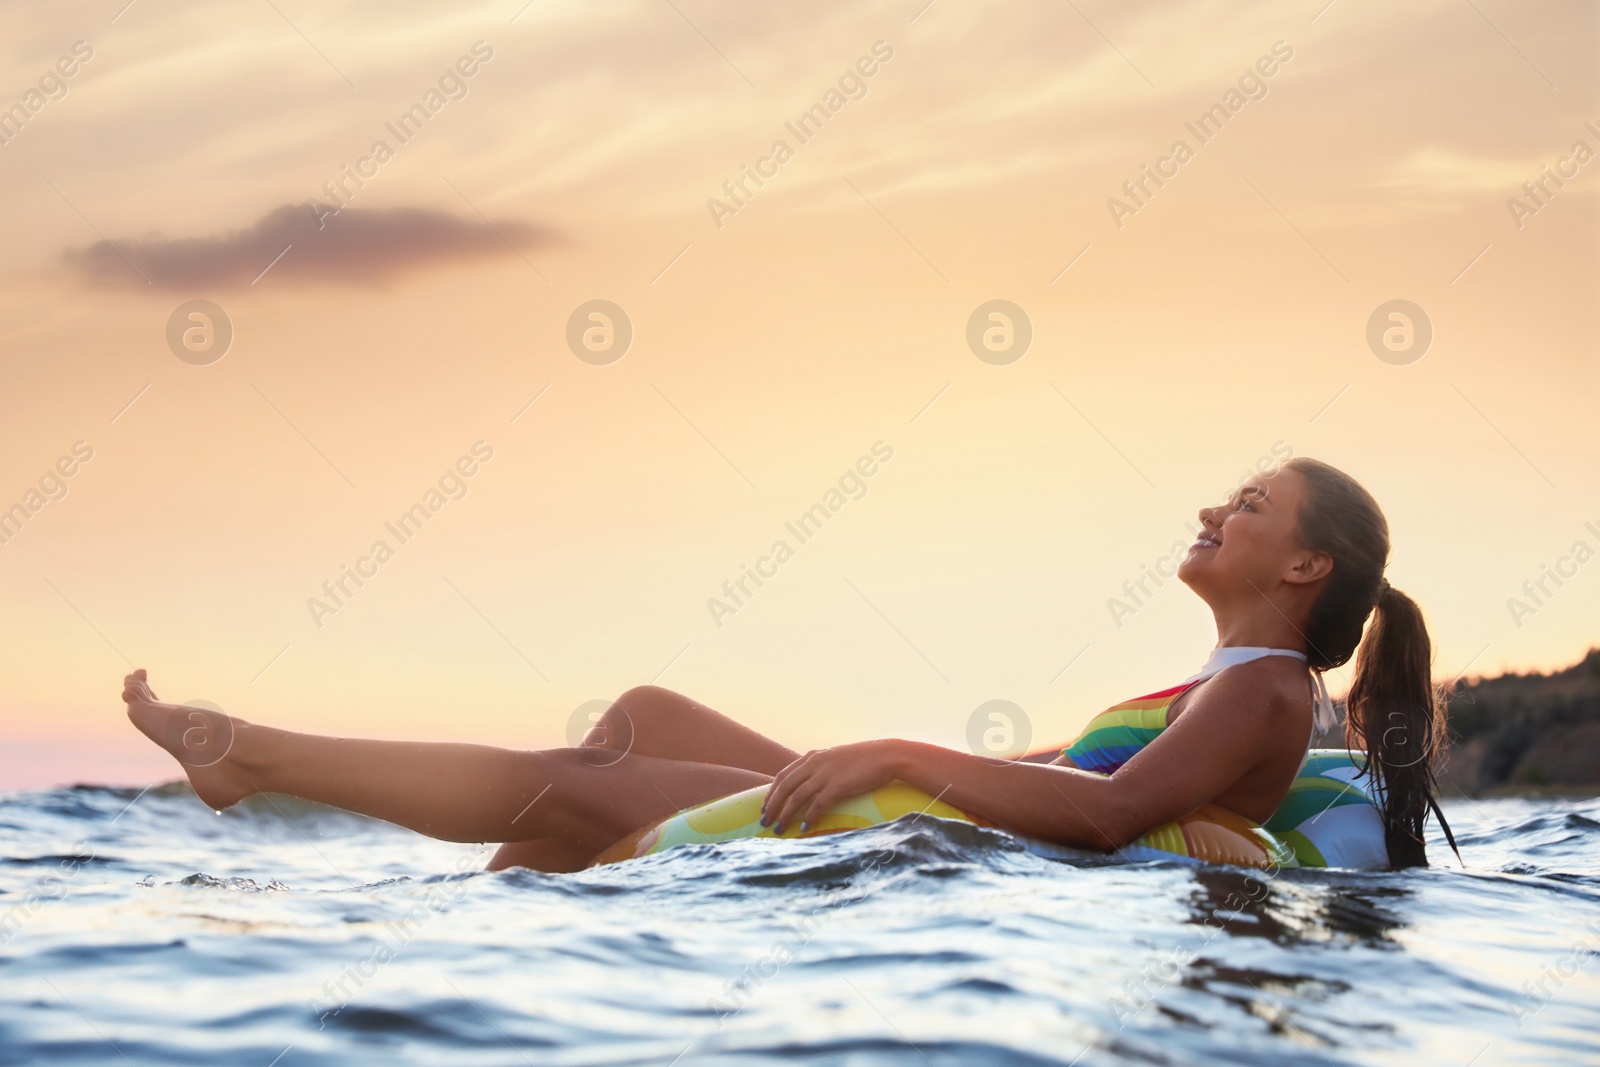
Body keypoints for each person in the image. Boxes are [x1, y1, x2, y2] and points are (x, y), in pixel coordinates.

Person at [123, 457, 1449, 872]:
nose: (1214, 511)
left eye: (1251, 505)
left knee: (562, 799)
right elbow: (1083, 776)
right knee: (641, 711)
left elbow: (1109, 816)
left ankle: (257, 756)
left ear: (1306, 566)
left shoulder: (1268, 687)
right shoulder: (1232, 680)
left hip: (955, 849)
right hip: (952, 813)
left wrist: (893, 749)